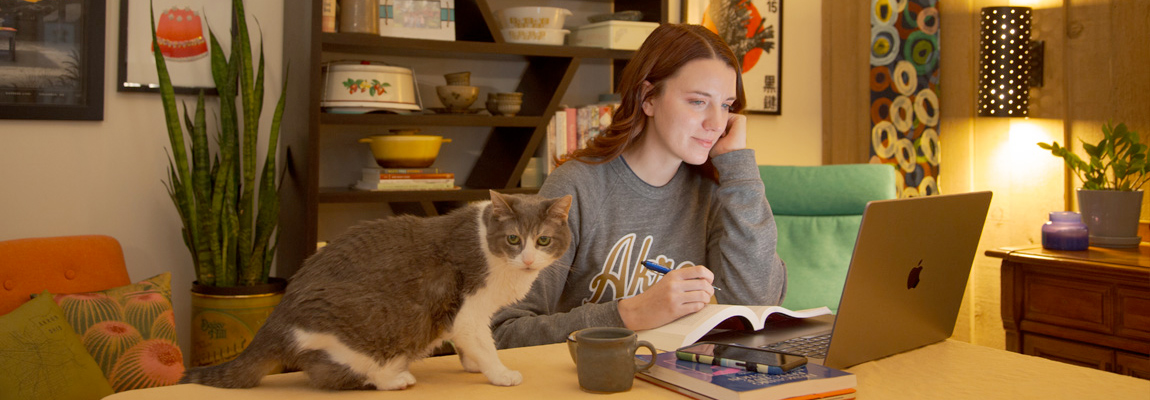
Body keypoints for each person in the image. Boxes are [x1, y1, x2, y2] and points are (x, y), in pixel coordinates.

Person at [491, 23, 786, 348]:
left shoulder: (720, 191)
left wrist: (739, 165)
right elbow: (505, 332)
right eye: (698, 102)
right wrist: (628, 314)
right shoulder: (577, 187)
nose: (716, 124)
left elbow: (757, 304)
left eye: (726, 105)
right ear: (648, 98)